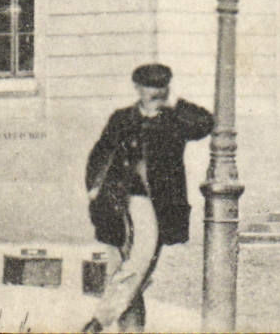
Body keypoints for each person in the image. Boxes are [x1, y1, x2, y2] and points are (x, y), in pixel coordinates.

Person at [82, 63, 213, 333]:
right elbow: (100, 153)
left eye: (161, 87)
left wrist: (177, 104)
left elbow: (205, 123)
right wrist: (93, 188)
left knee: (140, 260)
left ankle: (99, 321)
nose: (156, 93)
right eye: (150, 87)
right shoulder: (122, 118)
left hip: (156, 203)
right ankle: (129, 329)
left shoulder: (174, 119)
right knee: (125, 266)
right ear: (138, 88)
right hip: (116, 200)